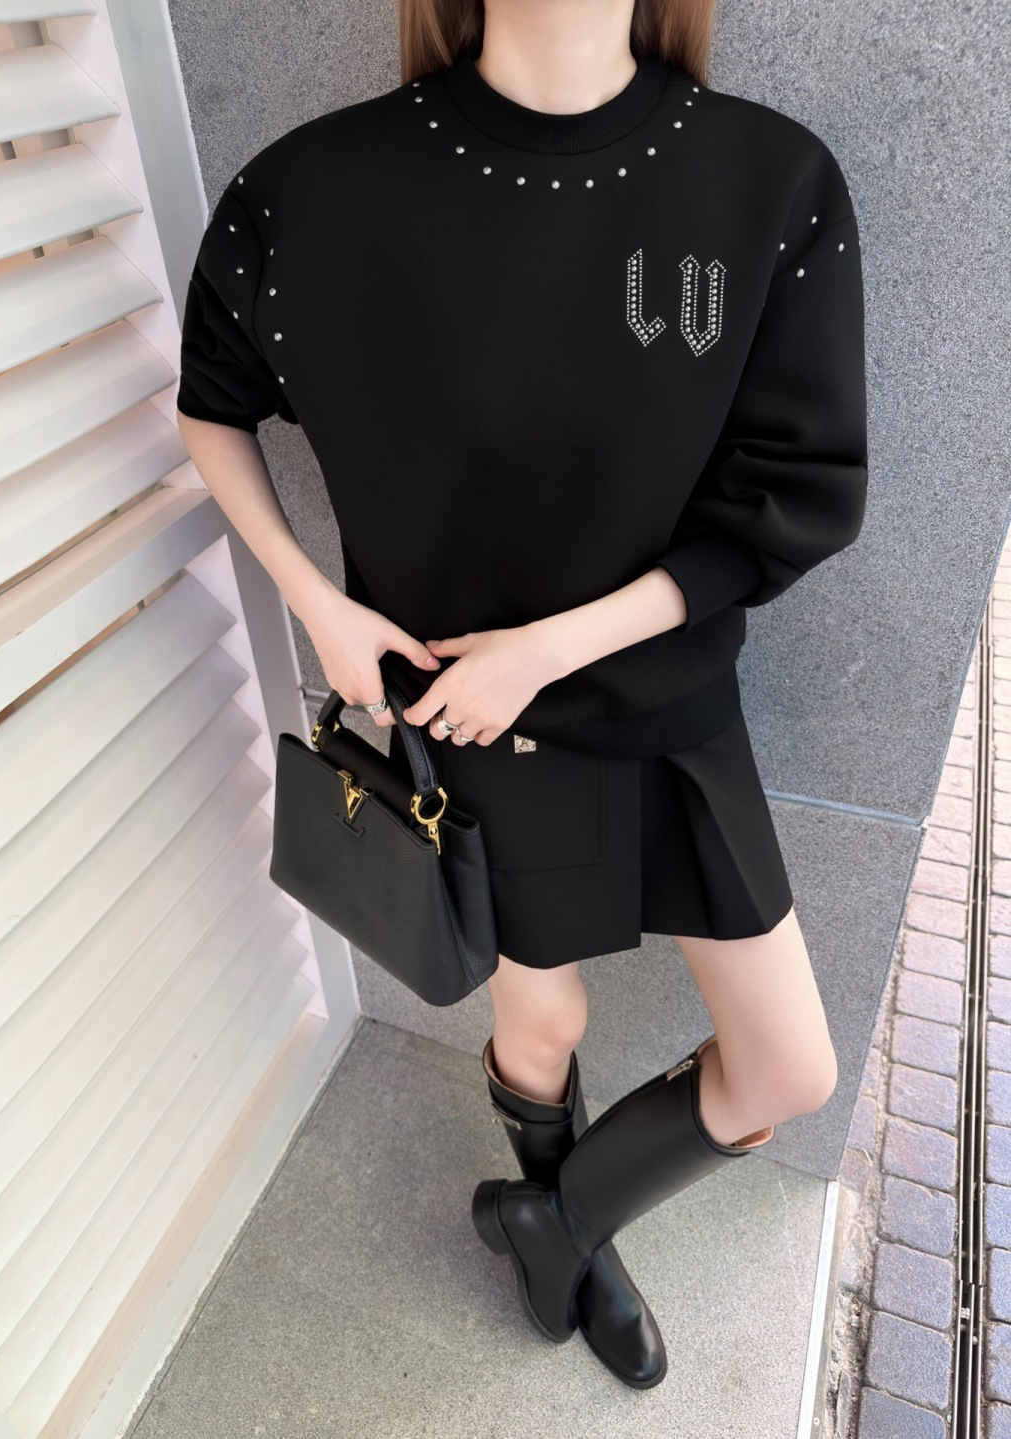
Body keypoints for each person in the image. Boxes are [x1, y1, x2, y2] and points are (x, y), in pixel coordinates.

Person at [175, 0, 868, 1394]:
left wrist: (546, 648)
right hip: (469, 731)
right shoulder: (314, 189)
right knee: (542, 1027)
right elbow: (213, 402)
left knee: (788, 1070)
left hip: (668, 709)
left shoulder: (768, 180)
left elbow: (794, 497)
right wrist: (319, 603)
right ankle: (563, 1231)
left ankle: (557, 1222)